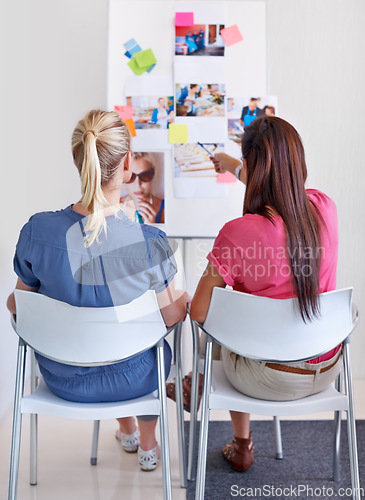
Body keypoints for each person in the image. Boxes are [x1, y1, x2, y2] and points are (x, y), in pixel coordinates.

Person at [6, 110, 188, 471]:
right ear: (126, 165)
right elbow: (172, 316)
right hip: (134, 380)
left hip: (62, 379)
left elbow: (17, 303)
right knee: (148, 342)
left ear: (79, 160)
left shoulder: (37, 232)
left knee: (108, 337)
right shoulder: (150, 243)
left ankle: (127, 431)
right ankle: (148, 444)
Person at [190, 116, 340, 472]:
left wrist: (242, 171)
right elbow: (282, 193)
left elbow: (198, 312)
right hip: (326, 369)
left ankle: (240, 441)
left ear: (250, 167)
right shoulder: (325, 208)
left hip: (269, 378)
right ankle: (190, 387)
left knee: (214, 327)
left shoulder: (237, 234)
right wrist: (236, 168)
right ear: (299, 162)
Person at [120, 152, 165, 223]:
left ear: (153, 173)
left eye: (145, 175)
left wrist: (153, 226)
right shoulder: (113, 208)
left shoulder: (165, 208)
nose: (138, 184)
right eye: (131, 177)